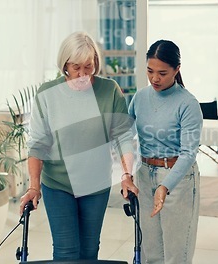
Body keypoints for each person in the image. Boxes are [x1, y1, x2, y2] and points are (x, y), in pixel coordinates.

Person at [19, 31, 134, 261]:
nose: (82, 75)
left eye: (88, 67)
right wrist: (34, 186)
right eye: (75, 68)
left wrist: (127, 174)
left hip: (95, 185)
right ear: (64, 65)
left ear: (96, 64)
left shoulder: (109, 90)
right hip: (58, 184)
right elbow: (38, 143)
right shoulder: (48, 94)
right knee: (66, 252)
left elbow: (123, 136)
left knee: (89, 251)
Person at [121, 40, 203, 264]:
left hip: (177, 178)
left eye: (162, 73)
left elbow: (188, 153)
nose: (155, 78)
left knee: (177, 254)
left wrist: (165, 187)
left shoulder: (188, 104)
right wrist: (126, 174)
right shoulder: (139, 98)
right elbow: (124, 135)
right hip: (145, 176)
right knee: (151, 251)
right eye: (150, 71)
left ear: (177, 70)